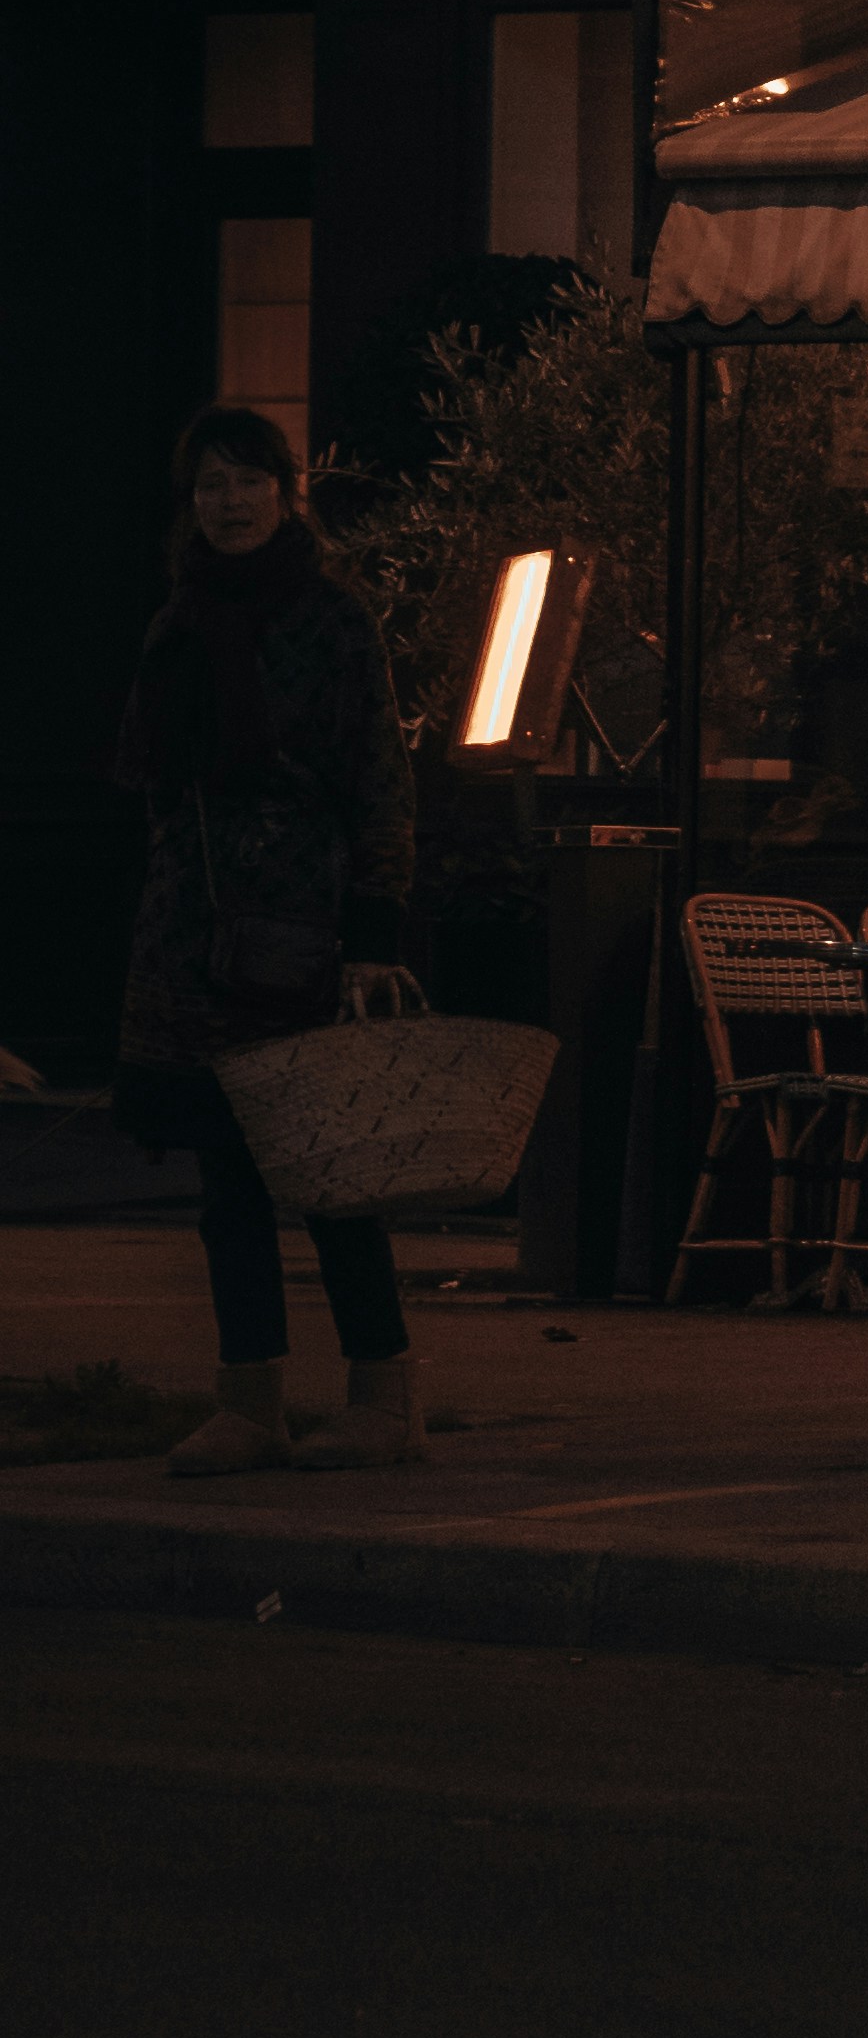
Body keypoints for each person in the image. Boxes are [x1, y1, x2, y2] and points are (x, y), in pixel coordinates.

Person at [110, 406, 422, 1471]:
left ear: (286, 493)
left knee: (332, 1172)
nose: (228, 503)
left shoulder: (332, 621)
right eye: (209, 485)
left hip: (301, 923)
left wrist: (372, 930)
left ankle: (384, 1397)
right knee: (227, 1183)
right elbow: (157, 788)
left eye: (247, 481)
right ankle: (250, 1402)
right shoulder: (179, 622)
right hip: (193, 934)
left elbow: (379, 780)